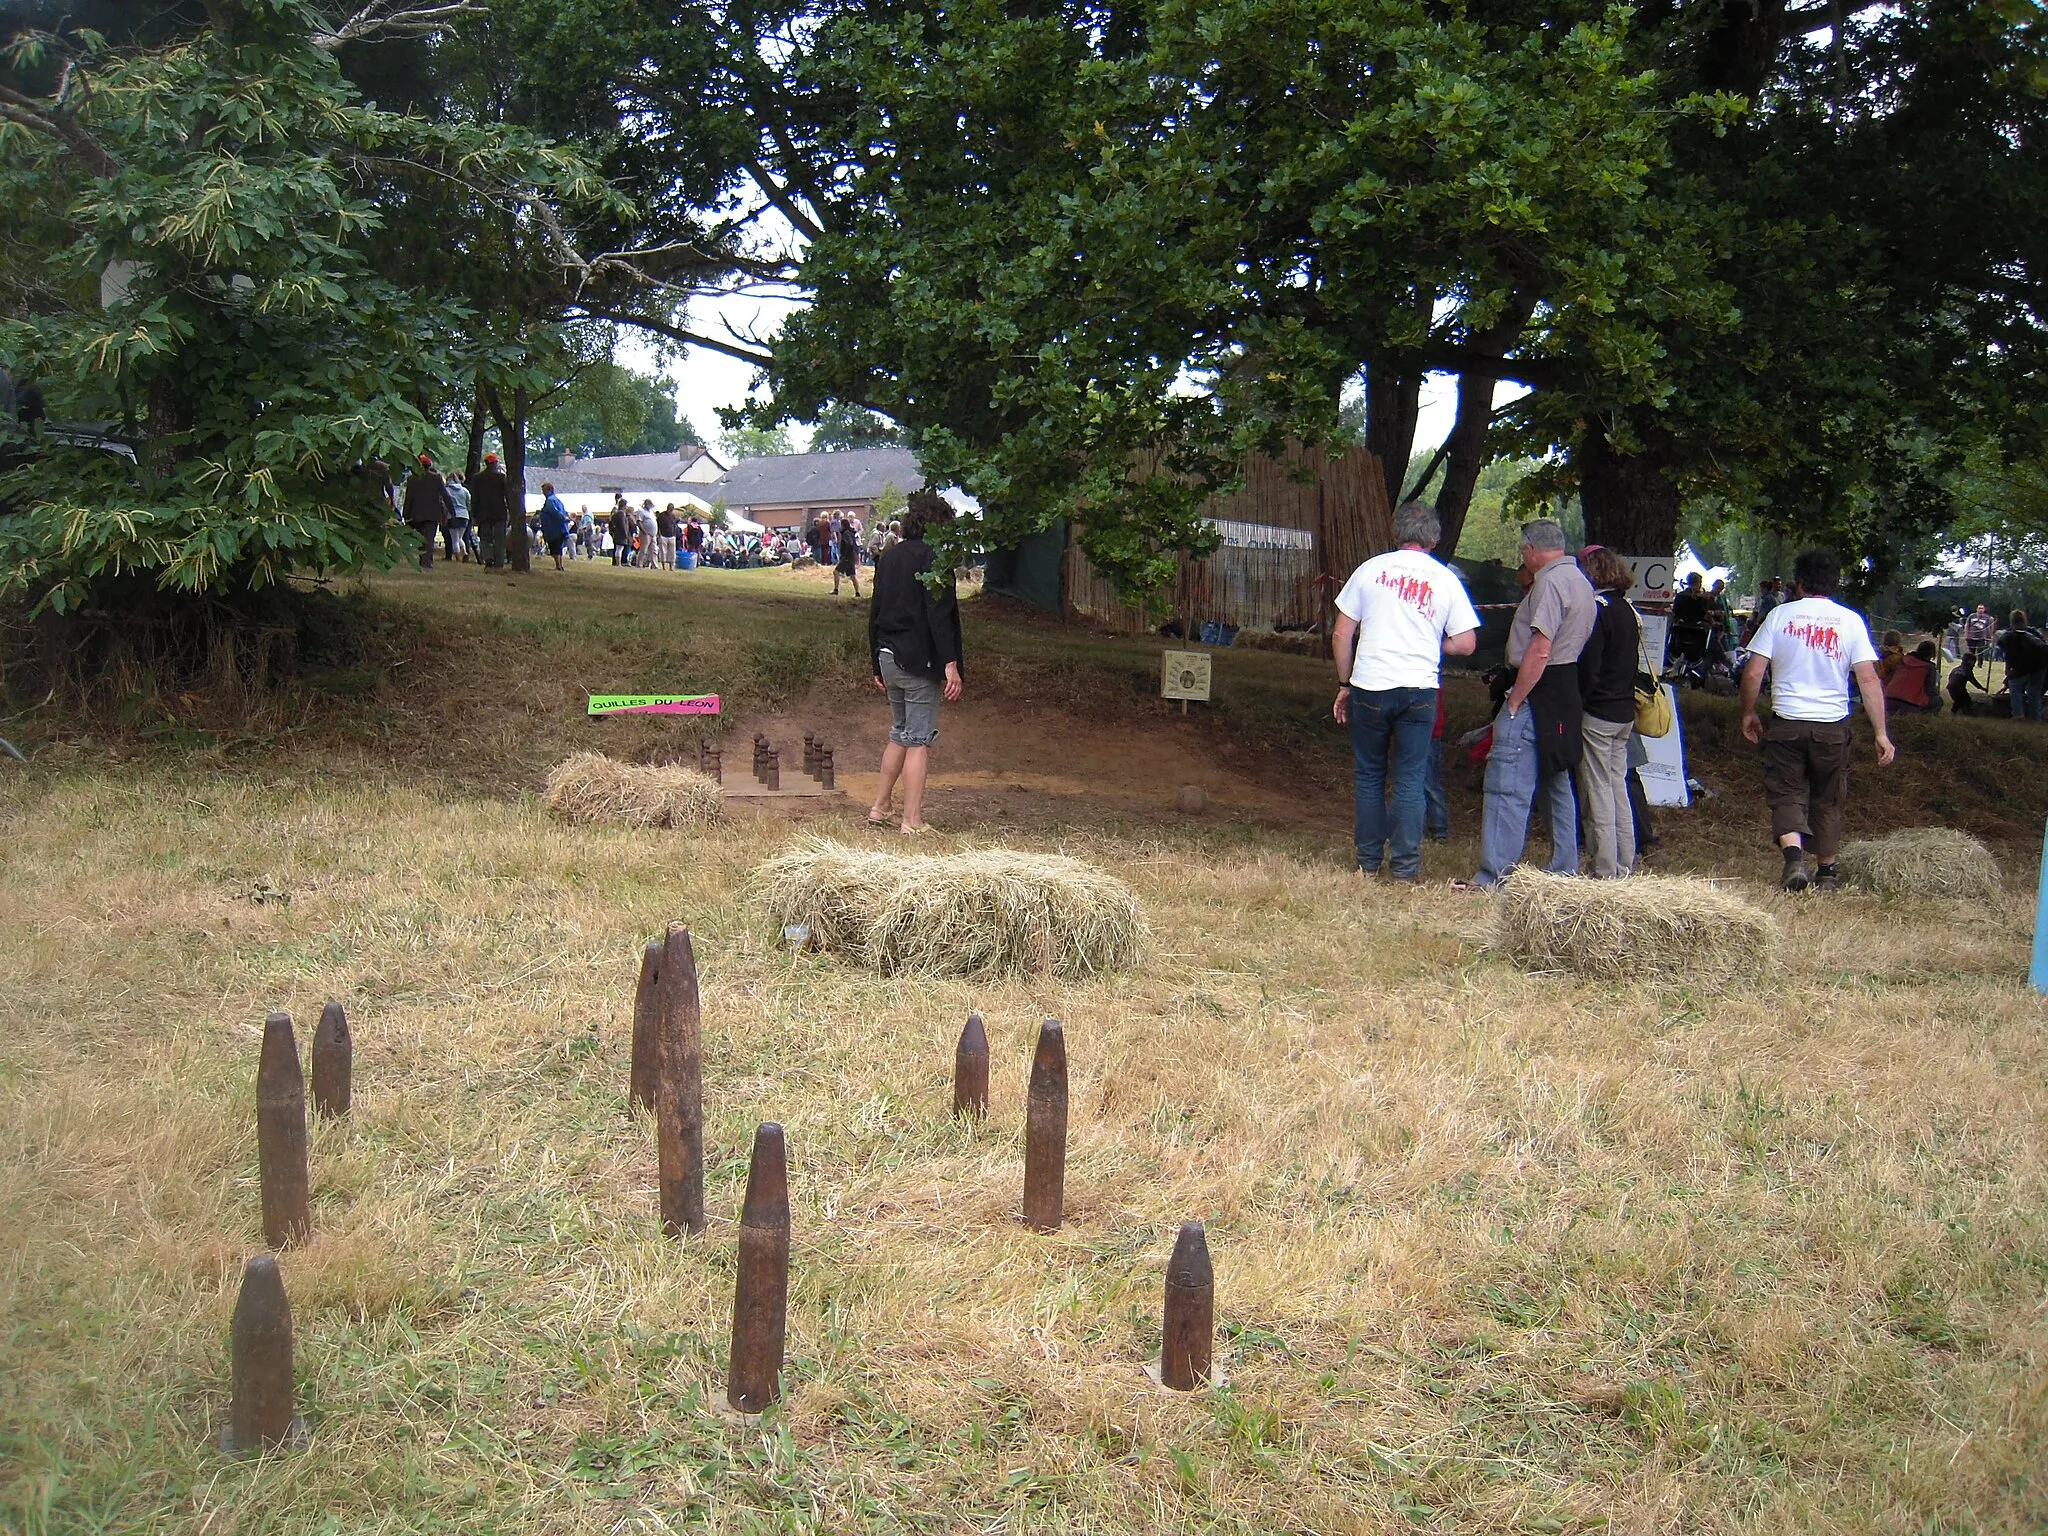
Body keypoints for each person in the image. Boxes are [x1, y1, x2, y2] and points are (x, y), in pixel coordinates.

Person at [1328, 500, 1479, 883]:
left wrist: (1345, 683)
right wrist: (1432, 644)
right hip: (1418, 690)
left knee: (1369, 775)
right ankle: (1405, 867)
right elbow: (1465, 643)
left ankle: (1367, 862)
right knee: (1410, 779)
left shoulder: (1369, 570)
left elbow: (1341, 632)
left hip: (1370, 685)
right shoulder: (1445, 579)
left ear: (1397, 534)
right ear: (1434, 537)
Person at [1739, 547, 1895, 892]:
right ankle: (1826, 872)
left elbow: (1753, 673)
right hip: (1831, 727)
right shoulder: (1850, 621)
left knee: (1786, 793)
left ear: (1798, 582)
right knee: (1828, 798)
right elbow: (1868, 680)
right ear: (1834, 583)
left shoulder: (1780, 616)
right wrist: (1880, 732)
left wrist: (1749, 712)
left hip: (1787, 723)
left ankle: (1794, 861)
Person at [1462, 519, 1597, 889]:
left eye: (1522, 550)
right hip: (1565, 688)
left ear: (1530, 550)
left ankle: (1493, 875)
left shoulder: (1550, 583)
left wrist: (1514, 700)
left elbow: (1539, 649)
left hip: (1537, 687)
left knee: (1508, 784)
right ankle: (1564, 866)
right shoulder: (1581, 582)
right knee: (1556, 778)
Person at [867, 490, 964, 834]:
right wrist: (950, 663)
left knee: (900, 733)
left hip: (888, 655)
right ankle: (912, 821)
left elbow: (875, 610)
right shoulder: (934, 560)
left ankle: (880, 806)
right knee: (919, 739)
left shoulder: (890, 556)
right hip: (918, 660)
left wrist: (875, 663)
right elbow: (939, 616)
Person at [1575, 545, 1642, 879]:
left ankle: (1604, 865)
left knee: (1597, 788)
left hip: (1599, 710)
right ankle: (1625, 860)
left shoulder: (1597, 610)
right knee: (1618, 786)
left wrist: (1580, 700)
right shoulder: (1628, 609)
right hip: (1624, 711)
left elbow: (1590, 667)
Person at [400, 453, 451, 568]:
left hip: (416, 513)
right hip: (432, 513)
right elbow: (445, 495)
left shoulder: (412, 479)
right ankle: (426, 561)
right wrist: (451, 511)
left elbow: (409, 498)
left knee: (420, 537)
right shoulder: (437, 478)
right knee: (429, 538)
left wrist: (405, 513)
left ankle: (423, 558)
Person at [2001, 610, 2046, 722]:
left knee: (2015, 686)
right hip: (2039, 668)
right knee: (2034, 694)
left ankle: (2018, 714)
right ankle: (2035, 719)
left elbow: (2009, 655)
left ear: (2011, 621)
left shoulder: (2008, 635)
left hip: (2022, 668)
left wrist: (2008, 670)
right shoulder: (2035, 633)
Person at [470, 452, 510, 568]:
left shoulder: (477, 478)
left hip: (483, 513)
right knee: (499, 539)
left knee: (485, 538)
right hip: (499, 513)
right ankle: (499, 562)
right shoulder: (502, 477)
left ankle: (488, 558)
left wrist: (474, 514)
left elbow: (475, 498)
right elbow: (507, 495)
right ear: (495, 463)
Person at [1884, 640, 1943, 713]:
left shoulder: (1903, 660)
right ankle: (1924, 715)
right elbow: (1930, 690)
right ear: (1931, 655)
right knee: (1938, 701)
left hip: (1887, 700)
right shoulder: (1929, 667)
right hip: (1909, 703)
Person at [538, 482, 571, 571]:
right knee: (558, 547)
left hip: (553, 528)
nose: (543, 493)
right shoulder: (557, 500)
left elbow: (554, 511)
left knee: (554, 547)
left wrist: (563, 518)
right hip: (559, 528)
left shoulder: (550, 500)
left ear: (549, 490)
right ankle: (559, 565)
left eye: (544, 491)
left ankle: (558, 565)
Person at [444, 470, 473, 562]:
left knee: (454, 539)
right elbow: (469, 503)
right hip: (464, 515)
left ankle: (457, 557)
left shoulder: (447, 490)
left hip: (452, 515)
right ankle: (464, 552)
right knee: (460, 537)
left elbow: (444, 504)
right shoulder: (465, 490)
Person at [833, 512, 863, 597]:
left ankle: (836, 590)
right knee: (852, 575)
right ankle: (857, 592)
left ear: (843, 525)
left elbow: (849, 544)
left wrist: (845, 556)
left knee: (836, 572)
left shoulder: (846, 533)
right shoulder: (850, 532)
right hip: (851, 557)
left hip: (847, 557)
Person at [656, 504, 679, 570]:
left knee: (672, 552)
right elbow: (658, 524)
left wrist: (674, 534)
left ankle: (671, 566)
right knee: (663, 551)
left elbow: (674, 525)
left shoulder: (673, 516)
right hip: (663, 535)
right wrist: (659, 534)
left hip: (671, 536)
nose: (671, 510)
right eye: (670, 508)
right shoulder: (662, 515)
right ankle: (663, 566)